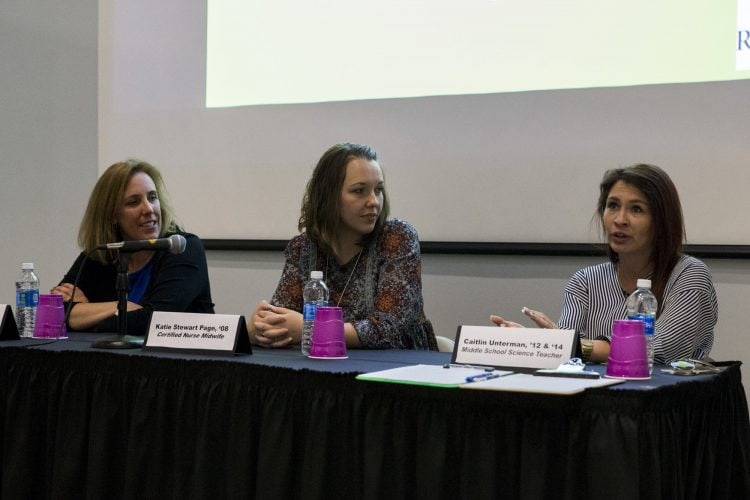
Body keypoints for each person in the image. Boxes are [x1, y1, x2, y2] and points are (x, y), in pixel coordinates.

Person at [490, 163, 717, 364]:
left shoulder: (689, 274)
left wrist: (574, 346)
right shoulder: (586, 281)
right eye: (613, 206)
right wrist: (531, 342)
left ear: (662, 221)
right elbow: (567, 349)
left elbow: (662, 349)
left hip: (671, 405)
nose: (620, 220)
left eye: (636, 209)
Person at [249, 143, 437, 350]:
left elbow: (389, 330)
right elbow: (281, 318)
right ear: (328, 196)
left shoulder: (397, 238)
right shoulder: (303, 247)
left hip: (398, 370)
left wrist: (310, 328)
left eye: (379, 190)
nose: (374, 201)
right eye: (359, 191)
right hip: (323, 368)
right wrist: (258, 329)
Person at [53, 160, 214, 335]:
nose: (148, 209)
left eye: (152, 198)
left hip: (185, 359)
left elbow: (152, 322)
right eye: (133, 202)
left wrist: (87, 312)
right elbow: (53, 311)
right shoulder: (101, 254)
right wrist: (121, 306)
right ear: (112, 215)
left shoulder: (184, 248)